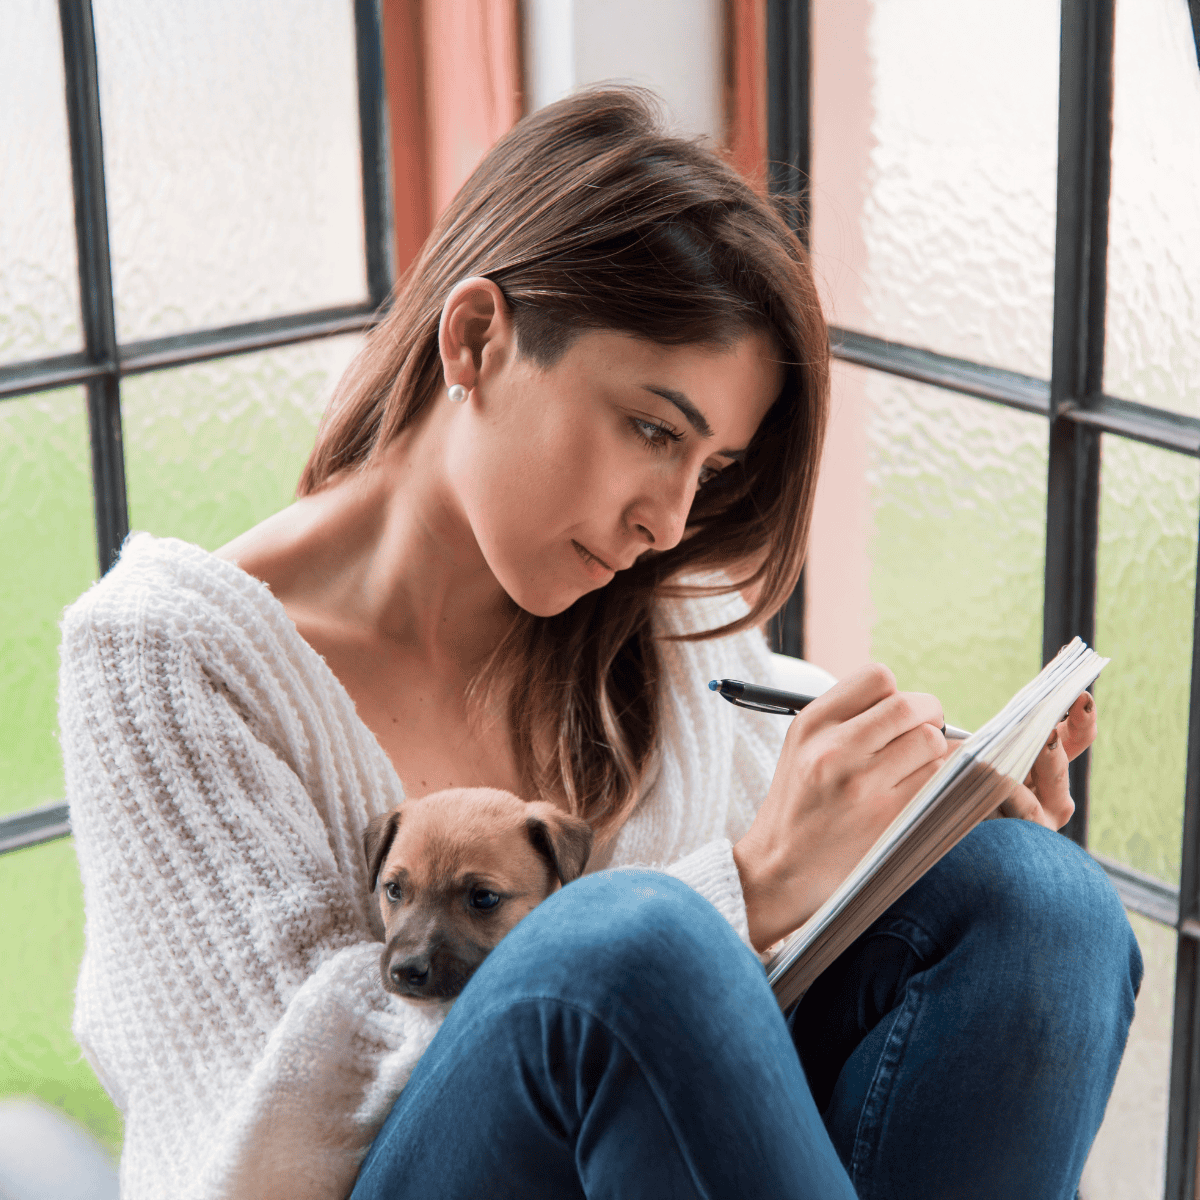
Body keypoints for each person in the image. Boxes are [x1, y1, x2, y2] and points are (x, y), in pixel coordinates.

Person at [59, 88, 1140, 1200]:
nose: (668, 522)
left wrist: (927, 803)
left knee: (1033, 901)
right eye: (651, 429)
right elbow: (262, 1135)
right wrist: (752, 888)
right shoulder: (165, 660)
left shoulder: (657, 623)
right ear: (477, 338)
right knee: (631, 946)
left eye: (708, 467)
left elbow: (794, 825)